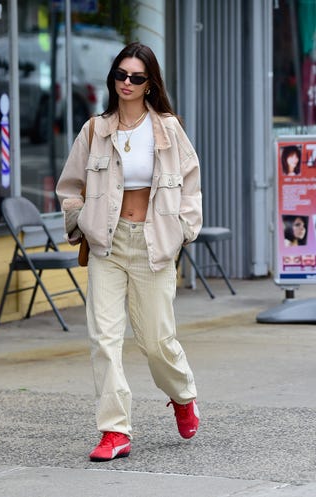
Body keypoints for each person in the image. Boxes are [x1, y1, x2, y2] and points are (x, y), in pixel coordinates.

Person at [56, 42, 202, 462]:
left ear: (149, 82)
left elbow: (190, 184)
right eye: (121, 74)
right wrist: (81, 218)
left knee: (156, 340)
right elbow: (69, 186)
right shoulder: (95, 130)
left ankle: (182, 394)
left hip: (154, 243)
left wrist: (184, 229)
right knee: (104, 338)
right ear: (113, 78)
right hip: (107, 244)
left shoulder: (168, 129)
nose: (127, 83)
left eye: (136, 77)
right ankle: (114, 431)